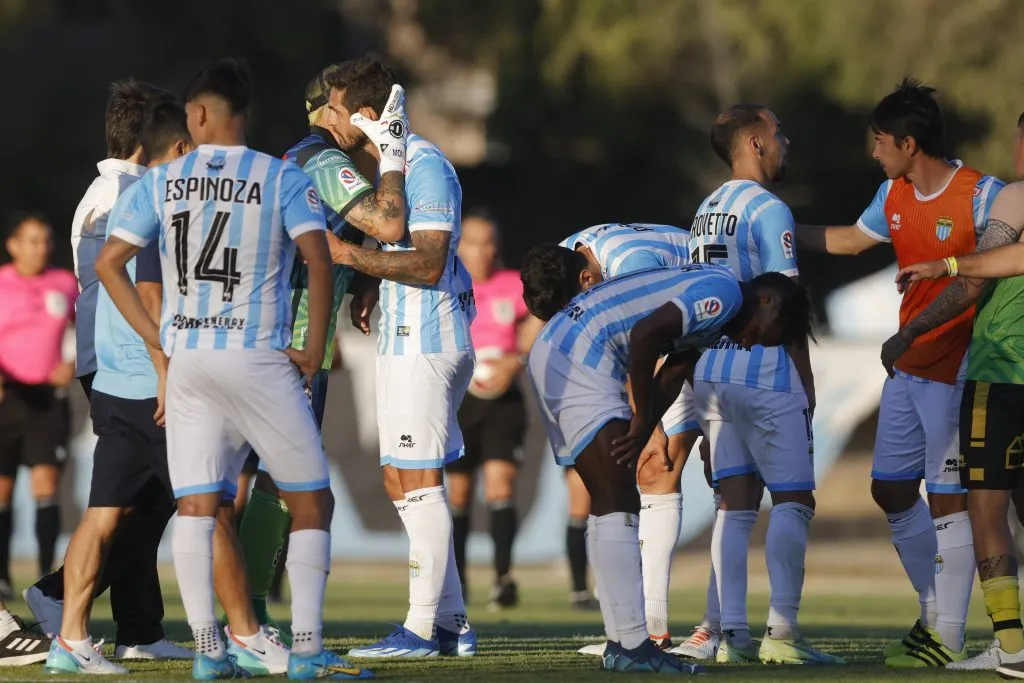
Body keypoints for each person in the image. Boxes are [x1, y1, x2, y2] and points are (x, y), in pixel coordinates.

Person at [94, 58, 372, 680]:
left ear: (194, 115)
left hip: (189, 357)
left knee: (197, 505)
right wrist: (314, 346)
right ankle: (303, 647)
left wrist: (156, 341)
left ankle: (208, 651)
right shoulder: (279, 176)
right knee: (310, 503)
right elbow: (320, 260)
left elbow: (111, 263)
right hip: (259, 356)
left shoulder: (160, 182)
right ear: (242, 114)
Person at [522, 246, 812, 674]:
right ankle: (633, 646)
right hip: (583, 358)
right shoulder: (725, 293)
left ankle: (624, 643)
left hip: (559, 349)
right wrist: (641, 415)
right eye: (774, 330)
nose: (754, 342)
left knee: (609, 501)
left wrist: (644, 426)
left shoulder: (718, 319)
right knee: (618, 501)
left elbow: (673, 371)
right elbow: (644, 336)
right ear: (765, 300)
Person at [796, 78, 1003, 667]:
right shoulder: (892, 194)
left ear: (909, 143)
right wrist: (782, 231)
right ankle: (935, 609)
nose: (873, 151)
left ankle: (947, 634)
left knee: (948, 499)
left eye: (880, 140)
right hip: (907, 364)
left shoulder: (981, 195)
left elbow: (988, 274)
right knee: (889, 488)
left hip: (958, 367)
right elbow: (850, 240)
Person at [233, 62, 409, 638]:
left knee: (270, 488)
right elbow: (386, 223)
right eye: (358, 103)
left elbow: (345, 238)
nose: (371, 112)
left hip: (295, 340)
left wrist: (365, 281)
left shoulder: (317, 161)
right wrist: (395, 151)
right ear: (329, 107)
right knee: (296, 492)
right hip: (292, 344)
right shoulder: (323, 159)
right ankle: (257, 622)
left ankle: (250, 619)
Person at [316, 55, 477, 660]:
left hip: (428, 343)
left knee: (420, 480)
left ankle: (419, 630)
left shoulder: (424, 164)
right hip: (408, 340)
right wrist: (370, 283)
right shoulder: (392, 167)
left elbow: (431, 261)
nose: (328, 117)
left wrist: (350, 259)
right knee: (400, 479)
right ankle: (453, 624)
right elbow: (408, 252)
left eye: (334, 106)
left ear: (362, 112)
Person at [26, 79, 190, 662]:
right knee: (164, 497)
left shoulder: (109, 188)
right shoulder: (129, 193)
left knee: (143, 499)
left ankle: (141, 629)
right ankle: (57, 593)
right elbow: (136, 292)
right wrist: (160, 361)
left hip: (118, 361)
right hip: (128, 364)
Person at [686, 105, 836, 665]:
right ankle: (783, 634)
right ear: (754, 142)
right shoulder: (769, 209)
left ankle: (730, 635)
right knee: (794, 499)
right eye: (778, 133)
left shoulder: (705, 209)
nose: (785, 141)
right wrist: (806, 378)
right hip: (766, 371)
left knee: (734, 504)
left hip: (714, 375)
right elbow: (783, 305)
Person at [883, 112, 1024, 675]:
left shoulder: (1015, 198)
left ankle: (1012, 649)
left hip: (1000, 371)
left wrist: (913, 327)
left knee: (986, 510)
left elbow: (979, 278)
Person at [549, 222, 695, 652]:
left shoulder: (633, 264)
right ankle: (659, 628)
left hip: (709, 333)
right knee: (658, 472)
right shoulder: (568, 257)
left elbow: (647, 337)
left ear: (587, 279)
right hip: (690, 335)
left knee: (658, 468)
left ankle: (657, 628)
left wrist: (648, 421)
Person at [445, 209, 543, 610]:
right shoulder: (448, 283)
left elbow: (540, 312)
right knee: (459, 493)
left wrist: (516, 358)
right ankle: (458, 580)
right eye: (472, 241)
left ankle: (503, 578)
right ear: (458, 245)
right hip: (461, 398)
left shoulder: (512, 285)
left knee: (501, 485)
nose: (481, 250)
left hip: (503, 401)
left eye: (489, 242)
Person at [0, 214, 76, 595]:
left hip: (48, 401)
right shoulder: (1, 283)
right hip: (6, 397)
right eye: (32, 240)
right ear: (14, 244)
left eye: (46, 240)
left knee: (46, 483)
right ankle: (2, 575)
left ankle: (46, 582)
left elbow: (87, 331)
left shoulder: (65, 284)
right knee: (2, 488)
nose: (41, 248)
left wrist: (73, 360)